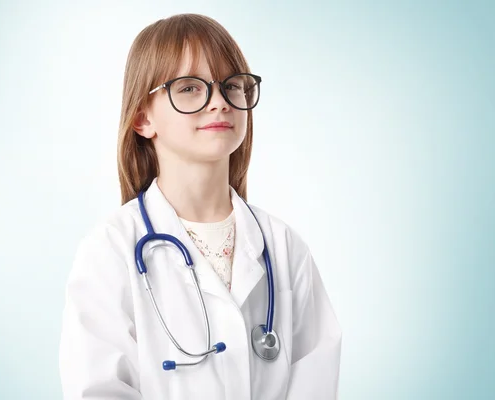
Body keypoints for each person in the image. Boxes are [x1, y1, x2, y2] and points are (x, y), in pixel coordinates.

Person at [58, 13, 342, 400]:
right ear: (142, 117)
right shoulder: (111, 249)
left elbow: (316, 381)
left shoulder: (283, 247)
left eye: (232, 86)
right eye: (190, 88)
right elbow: (98, 389)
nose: (220, 102)